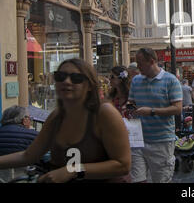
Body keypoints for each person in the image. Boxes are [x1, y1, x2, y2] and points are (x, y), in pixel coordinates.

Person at [0, 58, 131, 183]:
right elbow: (29, 156)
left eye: (76, 78)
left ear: (90, 85)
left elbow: (123, 164)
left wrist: (73, 170)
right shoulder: (57, 116)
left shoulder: (104, 113)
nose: (67, 81)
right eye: (60, 76)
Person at [129, 47, 182, 183]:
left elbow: (177, 109)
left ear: (151, 61)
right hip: (137, 140)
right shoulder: (136, 81)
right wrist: (129, 109)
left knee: (161, 180)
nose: (138, 67)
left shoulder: (171, 81)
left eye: (140, 63)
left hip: (161, 142)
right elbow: (131, 103)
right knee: (137, 180)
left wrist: (152, 111)